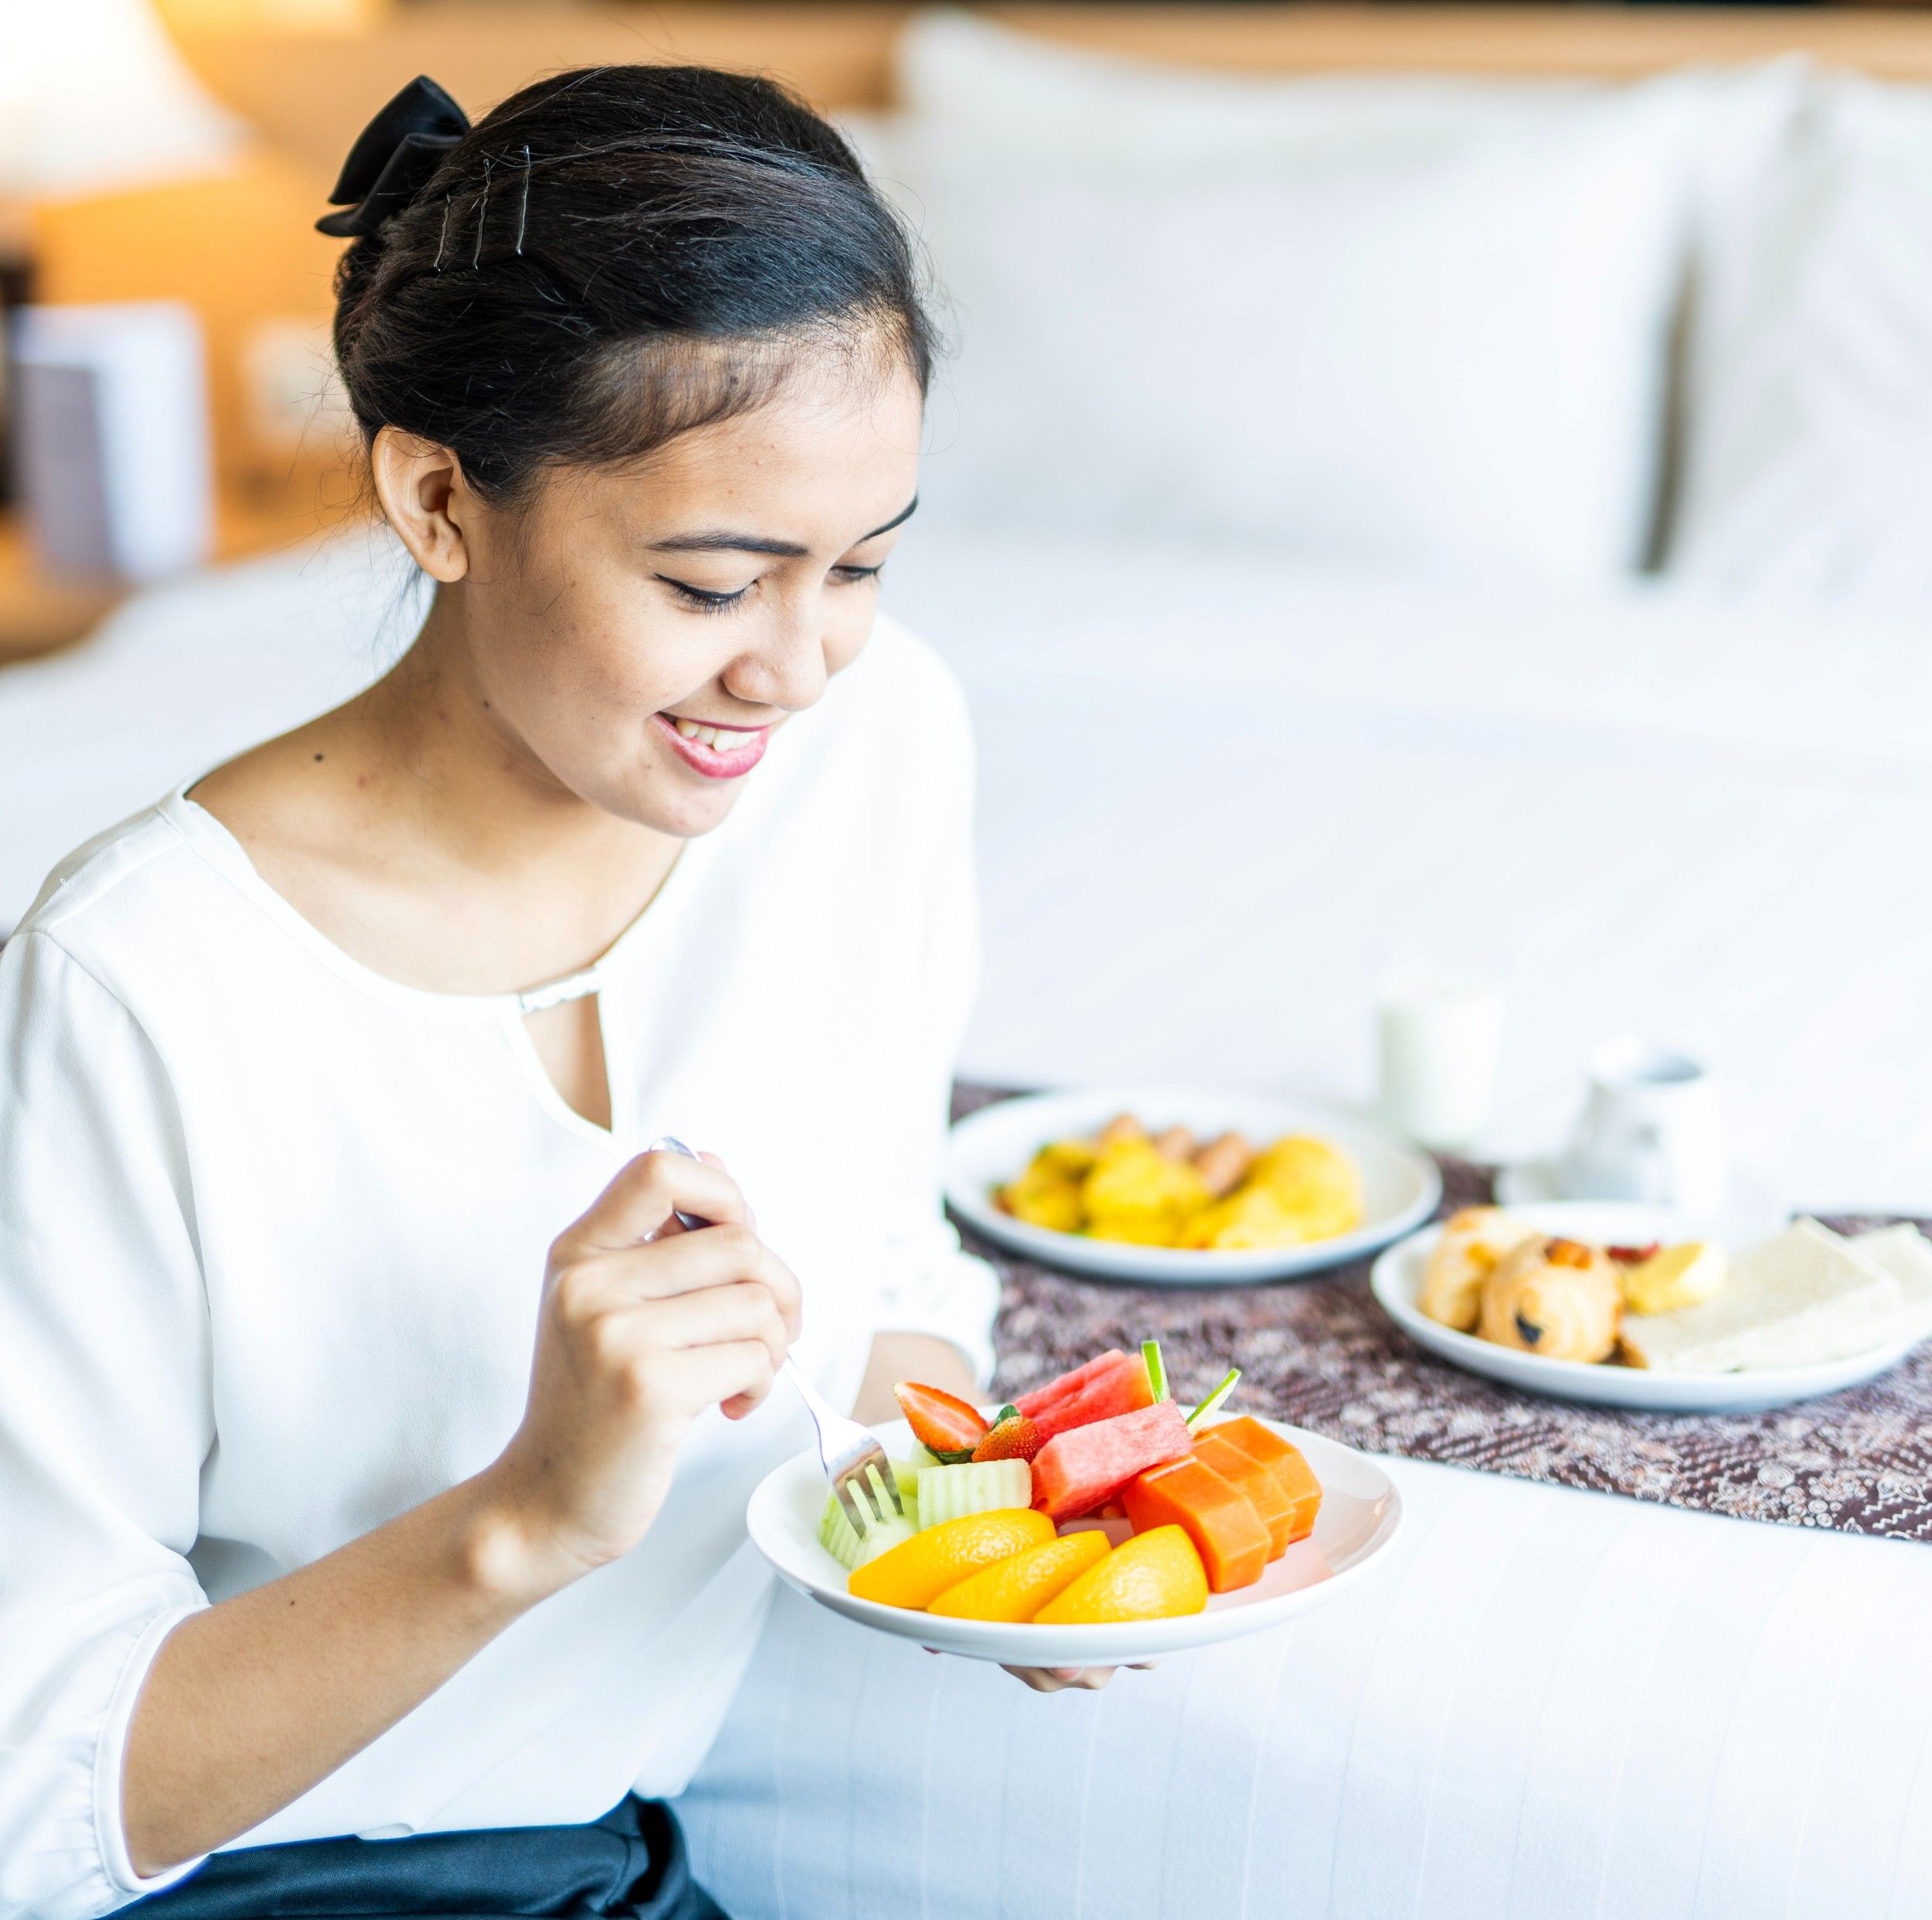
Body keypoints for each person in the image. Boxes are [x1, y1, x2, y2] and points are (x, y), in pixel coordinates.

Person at [0, 66, 1019, 1919]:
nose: (797, 667)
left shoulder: (880, 749)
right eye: (714, 581)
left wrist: (991, 1533)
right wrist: (527, 1515)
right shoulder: (134, 987)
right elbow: (28, 1796)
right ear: (442, 498)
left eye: (862, 564)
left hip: (612, 1873)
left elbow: (887, 1281)